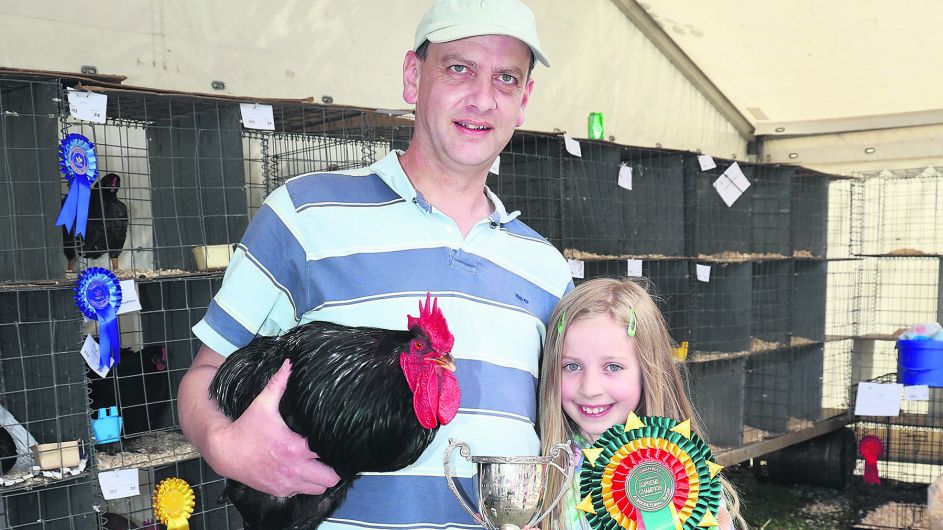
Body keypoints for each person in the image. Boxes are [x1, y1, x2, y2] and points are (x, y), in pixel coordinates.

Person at [177, 0, 571, 528]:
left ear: (524, 101)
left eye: (506, 79)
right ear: (413, 76)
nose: (482, 98)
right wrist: (226, 446)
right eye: (459, 68)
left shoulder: (547, 269)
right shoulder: (303, 213)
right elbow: (205, 373)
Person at [535, 278, 745, 530]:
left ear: (647, 371)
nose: (590, 389)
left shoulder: (682, 474)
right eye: (572, 366)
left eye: (613, 367)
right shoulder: (542, 470)